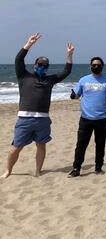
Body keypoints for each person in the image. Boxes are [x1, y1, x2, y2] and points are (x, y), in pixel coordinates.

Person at [2, 33, 74, 179]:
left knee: (41, 146)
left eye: (45, 66)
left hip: (43, 120)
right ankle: (8, 171)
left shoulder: (50, 80)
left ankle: (38, 171)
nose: (42, 67)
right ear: (34, 65)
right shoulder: (24, 76)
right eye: (40, 65)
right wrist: (29, 44)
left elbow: (66, 71)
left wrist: (69, 55)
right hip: (24, 119)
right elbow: (18, 59)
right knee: (16, 148)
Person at [68, 57, 106, 177]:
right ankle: (76, 168)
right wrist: (73, 95)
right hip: (86, 118)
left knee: (100, 144)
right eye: (94, 65)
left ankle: (98, 167)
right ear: (90, 66)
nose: (96, 67)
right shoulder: (83, 80)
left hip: (102, 118)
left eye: (98, 65)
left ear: (102, 66)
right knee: (81, 144)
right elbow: (77, 95)